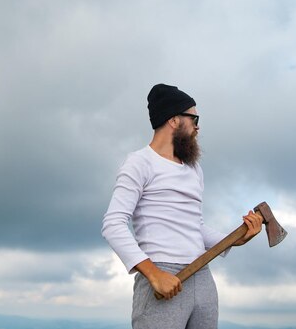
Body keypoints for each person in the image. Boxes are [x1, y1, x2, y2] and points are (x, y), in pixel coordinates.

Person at [102, 83, 262, 329]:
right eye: (194, 118)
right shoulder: (139, 163)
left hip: (202, 277)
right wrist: (154, 274)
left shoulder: (193, 169)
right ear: (174, 120)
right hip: (163, 276)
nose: (198, 126)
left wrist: (235, 239)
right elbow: (113, 224)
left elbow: (194, 225)